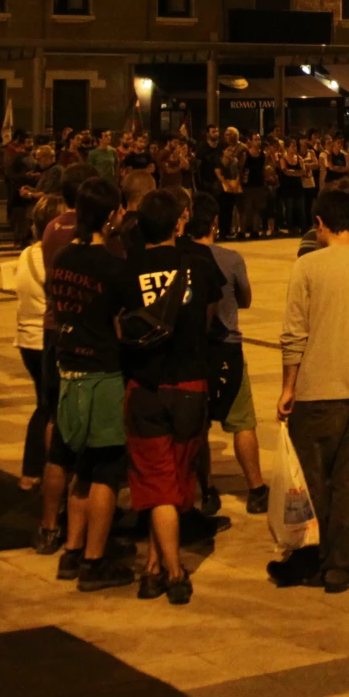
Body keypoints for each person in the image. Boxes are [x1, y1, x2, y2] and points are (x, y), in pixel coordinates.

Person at [274, 183, 349, 593]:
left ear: (320, 222)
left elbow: (294, 333)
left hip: (316, 390)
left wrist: (288, 387)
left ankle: (311, 556)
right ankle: (342, 565)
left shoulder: (308, 267)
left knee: (312, 480)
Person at [121, 188, 225, 604]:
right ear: (180, 222)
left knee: (156, 479)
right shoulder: (199, 266)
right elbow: (207, 322)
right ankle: (165, 568)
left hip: (145, 384)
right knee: (175, 479)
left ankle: (162, 569)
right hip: (189, 384)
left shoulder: (126, 270)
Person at [40, 180, 140, 590]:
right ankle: (95, 561)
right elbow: (129, 319)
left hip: (68, 371)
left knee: (76, 464)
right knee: (105, 471)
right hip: (102, 373)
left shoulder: (62, 257)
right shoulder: (113, 265)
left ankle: (71, 549)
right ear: (112, 215)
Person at [188, 195, 268, 514]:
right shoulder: (231, 258)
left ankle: (206, 488)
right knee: (242, 421)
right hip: (228, 347)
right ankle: (256, 488)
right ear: (215, 223)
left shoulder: (182, 256)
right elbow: (245, 299)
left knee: (200, 424)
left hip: (196, 349)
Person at [11, 204, 54, 490]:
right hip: (43, 340)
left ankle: (34, 470)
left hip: (26, 340)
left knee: (45, 403)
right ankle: (35, 470)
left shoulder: (27, 253)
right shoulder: (48, 257)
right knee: (49, 408)